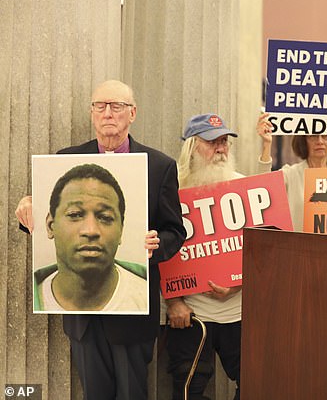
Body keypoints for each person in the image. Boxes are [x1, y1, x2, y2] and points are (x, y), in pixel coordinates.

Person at [15, 80, 186, 400]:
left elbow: (175, 232)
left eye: (117, 106)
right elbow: (46, 217)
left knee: (133, 394)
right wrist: (28, 209)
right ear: (92, 113)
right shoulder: (65, 159)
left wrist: (156, 244)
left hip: (134, 315)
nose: (108, 113)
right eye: (100, 106)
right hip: (83, 317)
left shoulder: (159, 165)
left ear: (132, 113)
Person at [163, 113, 242, 400]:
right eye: (212, 142)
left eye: (224, 141)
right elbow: (161, 248)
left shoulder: (244, 187)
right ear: (192, 147)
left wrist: (240, 283)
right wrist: (173, 301)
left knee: (256, 383)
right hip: (192, 315)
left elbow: (262, 253)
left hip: (239, 313)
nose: (221, 149)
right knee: (187, 391)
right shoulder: (172, 190)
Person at [34, 163, 147, 312]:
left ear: (121, 230)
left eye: (105, 217)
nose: (91, 230)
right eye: (75, 215)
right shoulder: (26, 298)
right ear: (50, 226)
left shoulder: (145, 296)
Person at [256, 113, 327, 231]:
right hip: (298, 247)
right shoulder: (290, 174)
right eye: (313, 135)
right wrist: (266, 144)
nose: (320, 141)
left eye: (326, 135)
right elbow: (263, 189)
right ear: (303, 140)